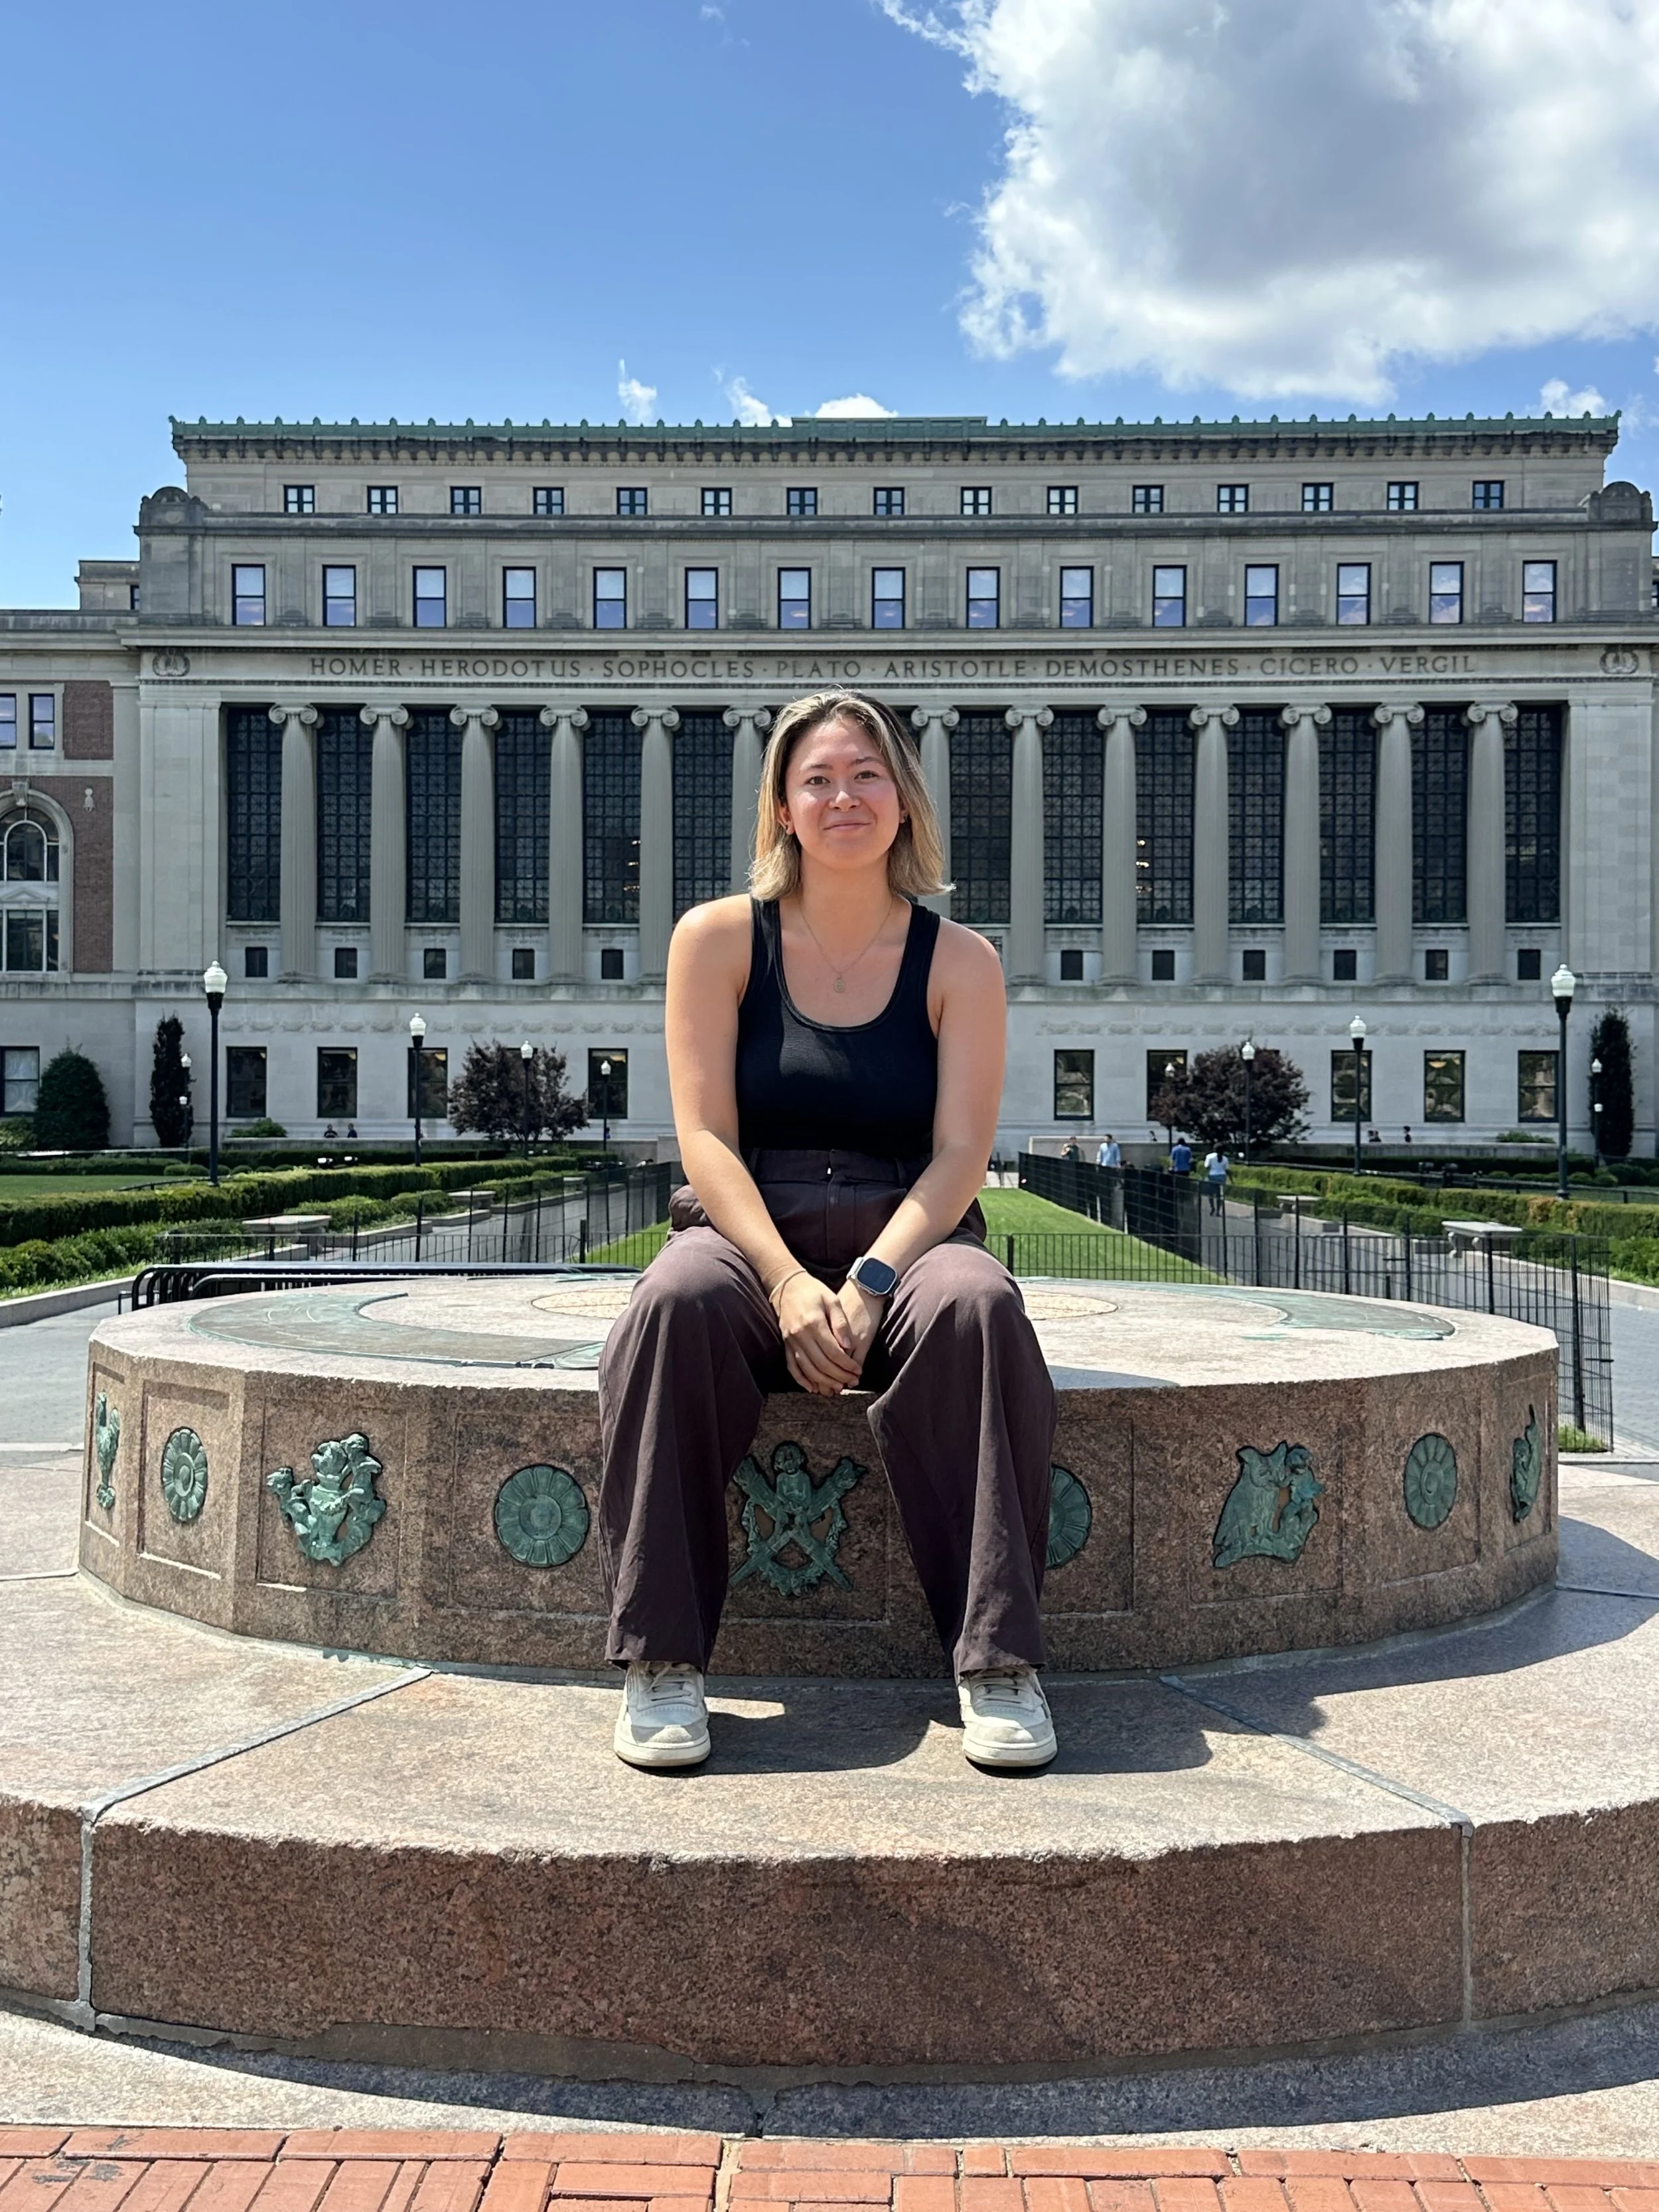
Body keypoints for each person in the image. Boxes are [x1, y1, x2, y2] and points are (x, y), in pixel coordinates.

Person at [597, 689, 1058, 1776]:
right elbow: (704, 1136)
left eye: (865, 773)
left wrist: (873, 1277)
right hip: (750, 1219)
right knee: (669, 1304)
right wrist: (788, 1285)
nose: (842, 795)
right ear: (784, 807)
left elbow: (959, 1155)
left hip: (910, 1224)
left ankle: (999, 1659)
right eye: (818, 778)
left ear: (902, 800)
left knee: (981, 1305)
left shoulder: (963, 962)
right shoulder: (717, 938)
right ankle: (662, 1659)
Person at [1202, 1145, 1229, 1213]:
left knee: (1211, 1193)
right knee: (1219, 1194)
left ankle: (1212, 1208)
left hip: (1212, 1176)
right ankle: (1218, 1210)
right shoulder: (1225, 1158)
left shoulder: (1209, 1156)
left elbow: (1207, 1167)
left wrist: (1204, 1175)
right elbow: (1227, 1169)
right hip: (1222, 1176)